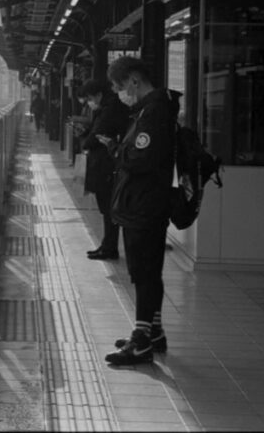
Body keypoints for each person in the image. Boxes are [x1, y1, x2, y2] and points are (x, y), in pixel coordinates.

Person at [104, 56, 178, 366]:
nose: (121, 93)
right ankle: (154, 331)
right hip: (148, 202)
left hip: (144, 204)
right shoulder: (153, 109)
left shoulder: (154, 112)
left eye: (121, 87)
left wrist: (118, 150)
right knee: (150, 270)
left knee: (144, 272)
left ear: (134, 80)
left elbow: (140, 158)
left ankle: (141, 340)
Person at [81, 79, 129, 261]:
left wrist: (86, 140)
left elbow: (98, 134)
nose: (88, 102)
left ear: (99, 95)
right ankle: (107, 245)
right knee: (107, 209)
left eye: (90, 98)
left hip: (106, 166)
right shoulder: (109, 107)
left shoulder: (110, 109)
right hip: (106, 164)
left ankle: (109, 248)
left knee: (108, 208)